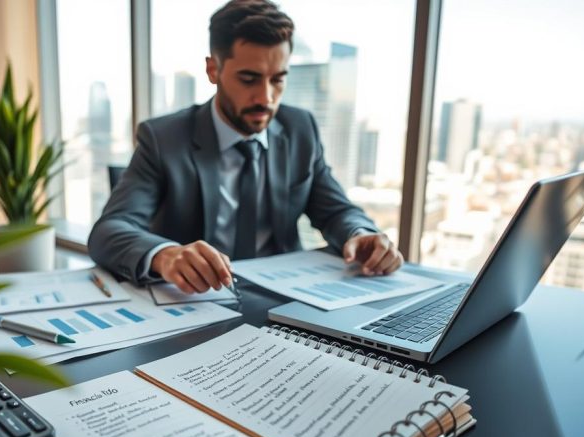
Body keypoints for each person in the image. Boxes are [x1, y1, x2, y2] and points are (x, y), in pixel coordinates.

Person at [88, 0, 403, 294]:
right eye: (249, 79)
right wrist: (166, 255)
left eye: (277, 79)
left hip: (284, 298)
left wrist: (360, 234)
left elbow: (335, 211)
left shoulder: (300, 129)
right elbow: (109, 231)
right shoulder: (164, 138)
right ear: (213, 70)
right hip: (196, 301)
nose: (265, 97)